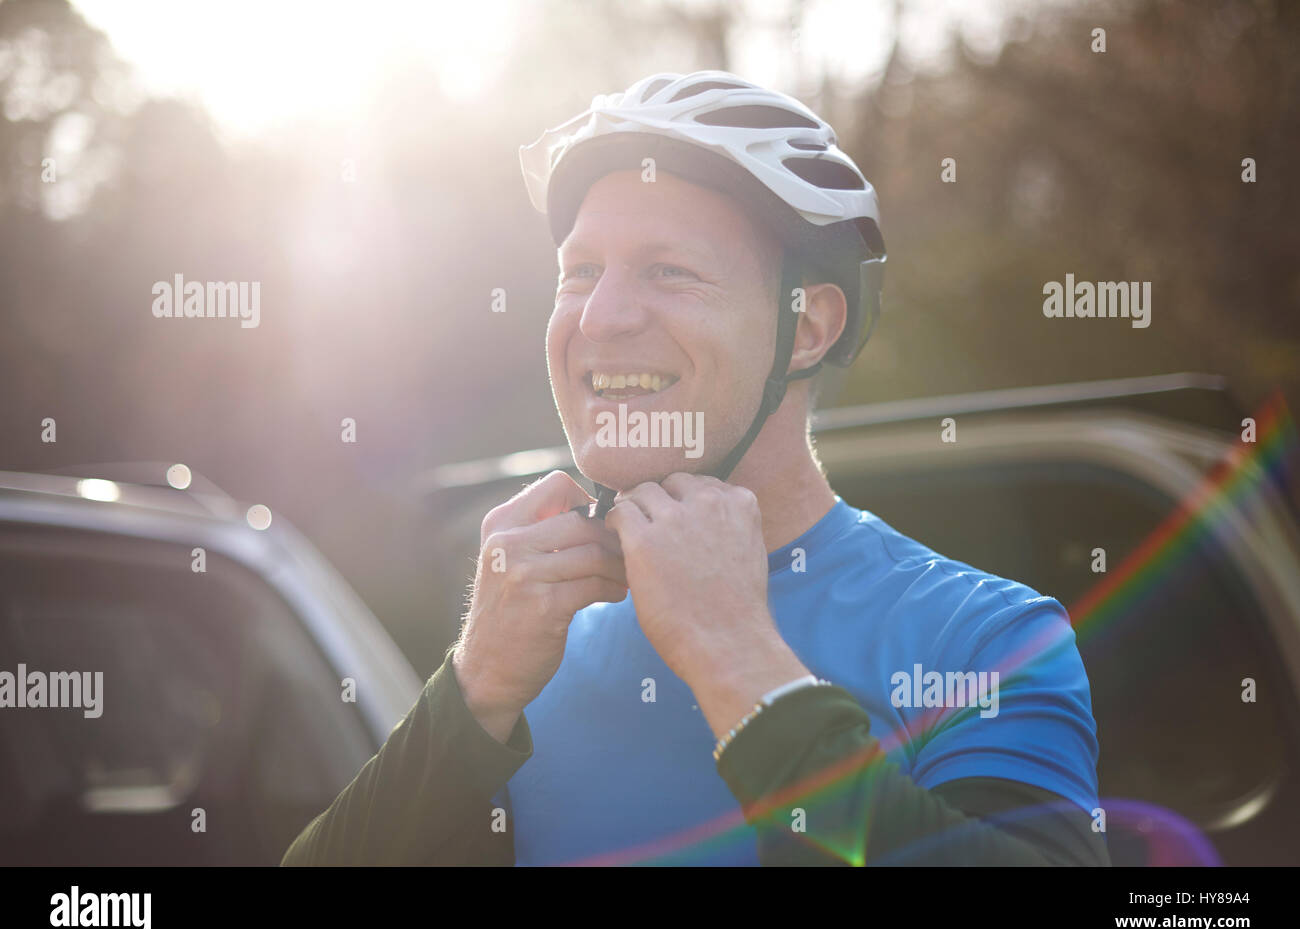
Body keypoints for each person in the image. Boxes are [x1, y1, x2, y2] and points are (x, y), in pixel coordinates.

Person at [282, 70, 1110, 866]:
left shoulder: (984, 638)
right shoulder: (534, 633)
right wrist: (473, 689)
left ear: (810, 327)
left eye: (667, 271)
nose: (600, 318)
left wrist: (735, 657)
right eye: (579, 274)